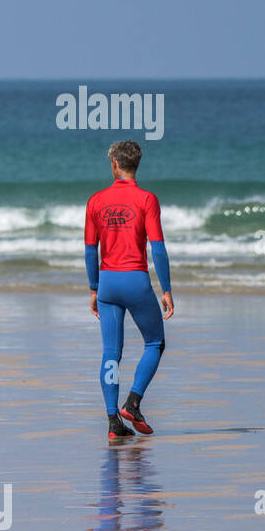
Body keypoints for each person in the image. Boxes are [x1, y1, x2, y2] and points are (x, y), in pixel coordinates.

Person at [85, 141, 173, 440]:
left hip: (108, 282)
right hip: (135, 281)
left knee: (111, 353)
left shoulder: (95, 201)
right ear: (137, 165)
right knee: (154, 343)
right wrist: (167, 289)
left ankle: (113, 422)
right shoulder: (147, 199)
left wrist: (94, 288)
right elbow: (158, 249)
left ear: (114, 165)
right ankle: (132, 402)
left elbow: (89, 250)